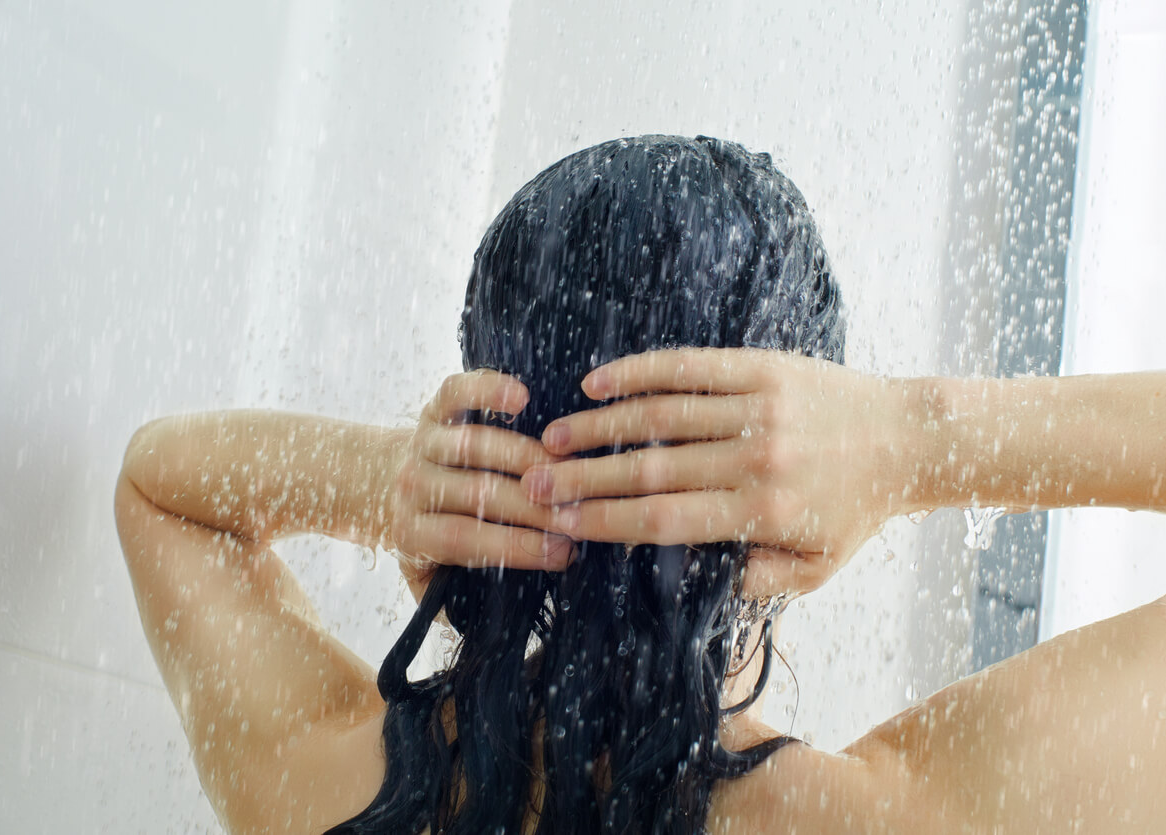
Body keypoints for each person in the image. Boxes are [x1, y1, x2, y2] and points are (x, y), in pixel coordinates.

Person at [115, 135, 1166, 834]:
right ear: (788, 486)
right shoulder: (907, 818)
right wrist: (908, 438)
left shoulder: (314, 784)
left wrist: (389, 479)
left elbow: (160, 488)